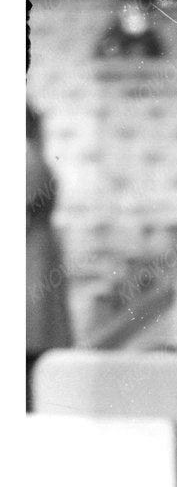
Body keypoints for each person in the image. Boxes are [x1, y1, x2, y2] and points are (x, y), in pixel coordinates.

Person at [26, 105, 73, 408]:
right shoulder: (31, 156)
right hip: (36, 258)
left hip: (30, 261)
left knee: (29, 356)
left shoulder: (24, 160)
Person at [93, 0, 165, 61]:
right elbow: (101, 59)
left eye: (135, 13)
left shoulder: (151, 38)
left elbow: (160, 60)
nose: (131, 18)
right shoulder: (112, 36)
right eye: (127, 13)